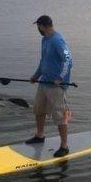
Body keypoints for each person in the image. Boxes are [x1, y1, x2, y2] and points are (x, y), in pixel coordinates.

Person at [26, 15, 73, 158]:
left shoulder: (57, 40)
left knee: (60, 115)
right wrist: (36, 76)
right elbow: (43, 61)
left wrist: (60, 77)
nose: (37, 29)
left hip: (56, 86)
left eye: (38, 26)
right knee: (38, 110)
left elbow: (68, 60)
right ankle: (40, 136)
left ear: (43, 26)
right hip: (44, 82)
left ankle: (64, 146)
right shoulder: (45, 40)